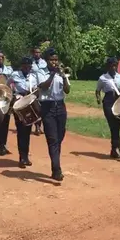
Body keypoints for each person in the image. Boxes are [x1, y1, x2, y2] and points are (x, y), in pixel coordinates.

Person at [34, 48, 70, 181]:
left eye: (56, 60)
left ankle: (55, 163)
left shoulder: (61, 73)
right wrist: (52, 74)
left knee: (59, 138)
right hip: (47, 107)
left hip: (60, 106)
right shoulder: (40, 72)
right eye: (51, 60)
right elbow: (44, 86)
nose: (54, 62)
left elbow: (67, 90)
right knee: (53, 139)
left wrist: (64, 77)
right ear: (46, 61)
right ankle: (56, 169)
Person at [95, 57, 120, 158]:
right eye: (112, 65)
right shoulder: (103, 78)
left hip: (118, 101)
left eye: (115, 65)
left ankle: (114, 149)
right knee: (112, 124)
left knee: (117, 124)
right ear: (108, 66)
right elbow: (97, 90)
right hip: (108, 102)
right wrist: (98, 99)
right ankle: (118, 146)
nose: (114, 67)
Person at [8, 57, 36, 168]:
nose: (27, 68)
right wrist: (13, 94)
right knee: (21, 130)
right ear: (22, 65)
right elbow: (7, 86)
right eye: (25, 66)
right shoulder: (14, 75)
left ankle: (26, 156)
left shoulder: (33, 77)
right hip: (19, 104)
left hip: (29, 104)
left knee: (27, 130)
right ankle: (22, 157)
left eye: (29, 66)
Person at [30, 47, 47, 136]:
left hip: (43, 86)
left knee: (42, 106)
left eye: (39, 52)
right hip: (33, 87)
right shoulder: (30, 63)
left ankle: (40, 126)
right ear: (33, 53)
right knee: (35, 108)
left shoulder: (44, 62)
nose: (37, 54)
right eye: (36, 52)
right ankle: (37, 126)